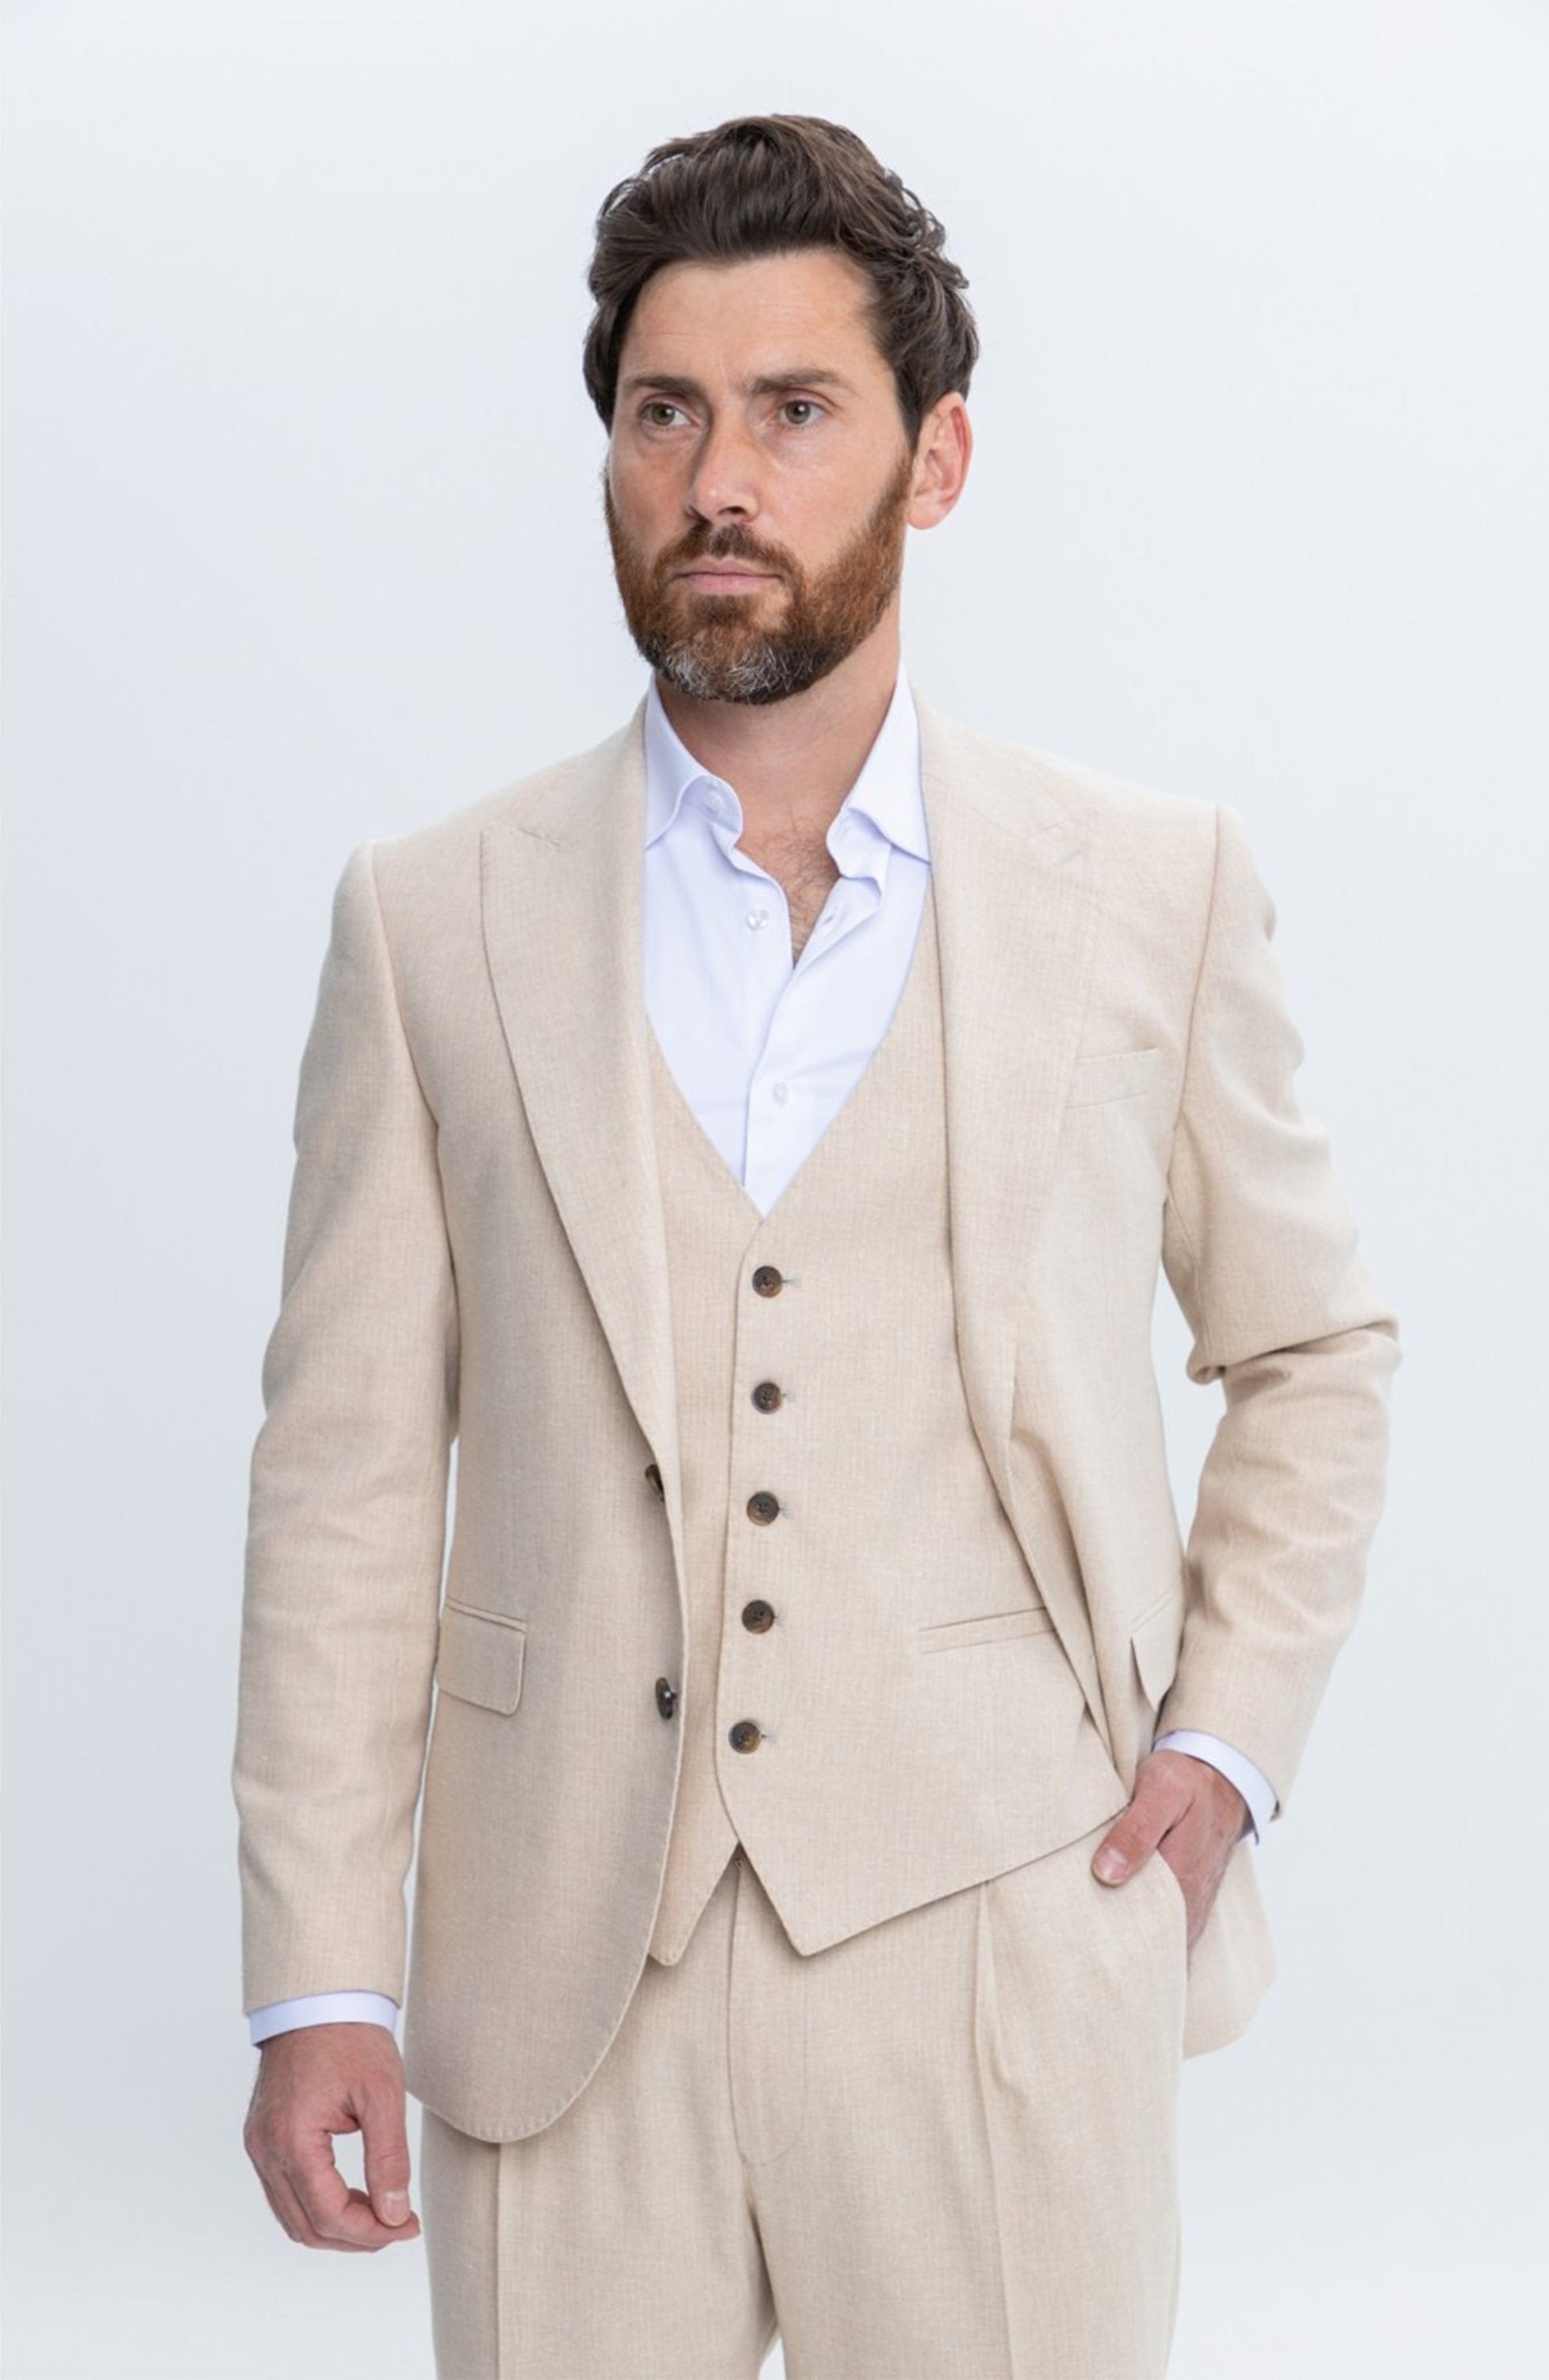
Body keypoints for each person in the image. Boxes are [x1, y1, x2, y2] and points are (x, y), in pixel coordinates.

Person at [232, 111, 1401, 2378]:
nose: (720, 481)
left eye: (795, 411)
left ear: (933, 459)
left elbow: (1314, 1347)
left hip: (1005, 1943)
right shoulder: (431, 919)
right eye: (665, 415)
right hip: (562, 1975)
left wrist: (1227, 1746)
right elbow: (345, 1476)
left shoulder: (1144, 889)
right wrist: (319, 1976)